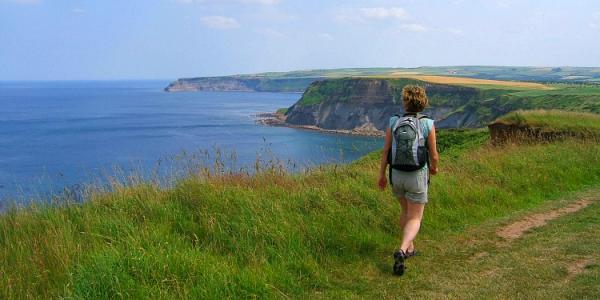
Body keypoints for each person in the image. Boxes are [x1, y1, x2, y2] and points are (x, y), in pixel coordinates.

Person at [377, 85, 439, 276]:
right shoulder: (428, 123)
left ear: (405, 101)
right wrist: (434, 168)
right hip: (417, 174)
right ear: (422, 102)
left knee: (405, 211)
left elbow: (386, 151)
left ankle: (410, 248)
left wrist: (381, 175)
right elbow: (434, 155)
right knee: (415, 217)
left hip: (397, 174)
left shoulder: (394, 121)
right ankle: (403, 250)